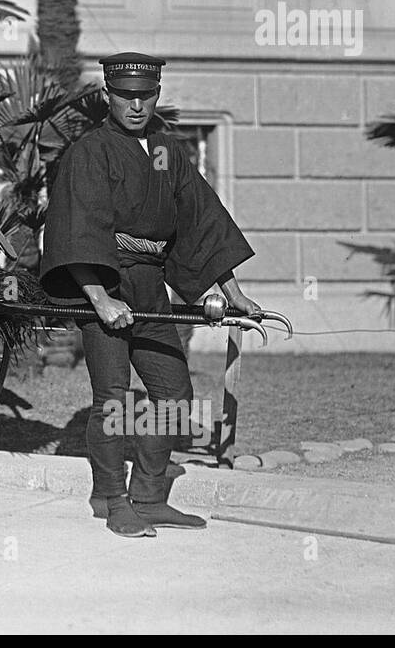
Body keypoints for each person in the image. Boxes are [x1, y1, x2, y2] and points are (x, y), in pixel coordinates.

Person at [40, 53, 265, 538]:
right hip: (101, 281)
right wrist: (100, 300)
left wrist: (233, 290)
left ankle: (148, 495)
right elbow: (77, 229)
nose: (137, 105)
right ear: (108, 95)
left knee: (173, 393)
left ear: (157, 94)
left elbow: (201, 217)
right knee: (112, 399)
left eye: (147, 95)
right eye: (127, 96)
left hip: (148, 286)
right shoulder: (90, 151)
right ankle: (111, 499)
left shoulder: (166, 150)